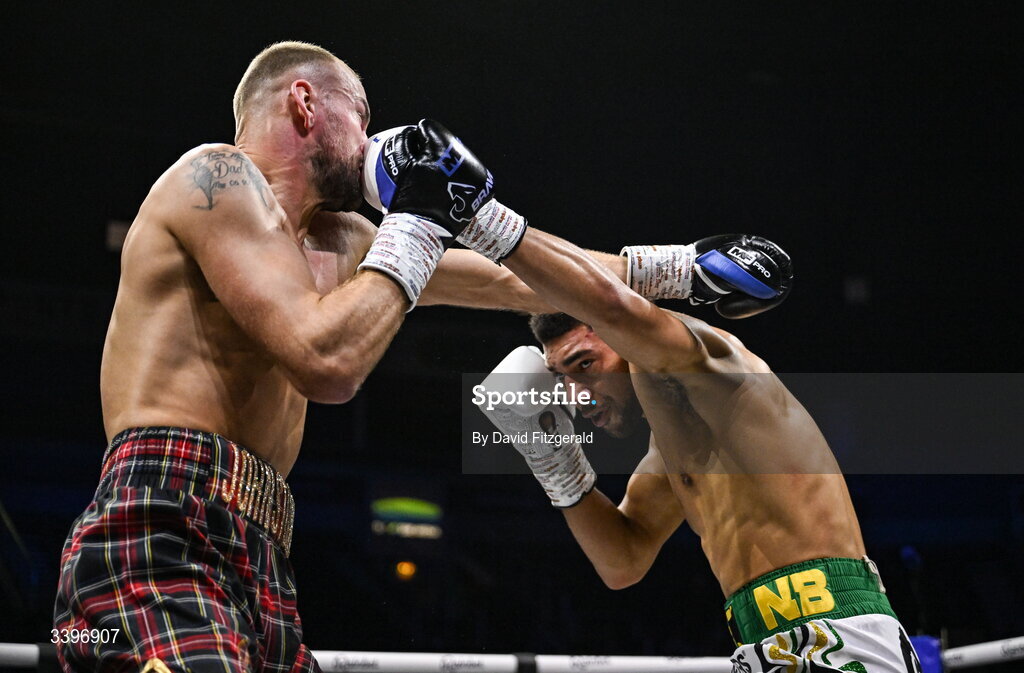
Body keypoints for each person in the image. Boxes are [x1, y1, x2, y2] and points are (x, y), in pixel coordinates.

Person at [53, 40, 702, 673]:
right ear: (304, 102)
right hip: (154, 527)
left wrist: (683, 271)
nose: (371, 140)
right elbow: (324, 361)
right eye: (359, 113)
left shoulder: (345, 238)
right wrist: (414, 223)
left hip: (259, 544)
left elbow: (513, 277)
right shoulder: (214, 179)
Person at [472, 222, 923, 670]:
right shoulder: (674, 451)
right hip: (763, 646)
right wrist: (550, 455)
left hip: (840, 631)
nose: (575, 394)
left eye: (584, 364)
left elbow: (614, 307)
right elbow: (622, 562)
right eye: (561, 378)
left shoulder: (714, 362)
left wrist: (485, 220)